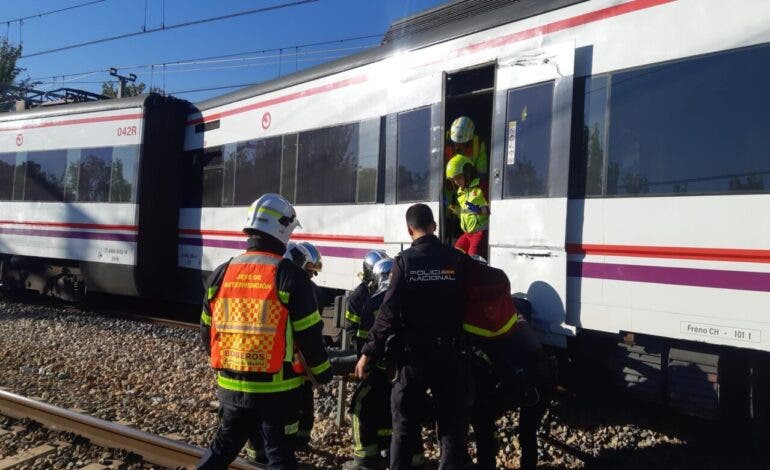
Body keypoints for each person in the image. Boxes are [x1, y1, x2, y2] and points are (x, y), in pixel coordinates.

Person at [198, 193, 332, 470]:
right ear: (282, 230)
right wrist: (322, 374)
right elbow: (309, 336)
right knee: (279, 458)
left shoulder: (221, 273)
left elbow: (206, 333)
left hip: (231, 388)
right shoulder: (290, 276)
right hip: (276, 392)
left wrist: (229, 368)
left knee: (220, 452)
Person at [356, 203, 472, 470]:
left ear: (410, 230)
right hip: (450, 355)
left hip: (413, 357)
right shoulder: (456, 259)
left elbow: (388, 312)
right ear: (434, 226)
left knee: (404, 423)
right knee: (450, 423)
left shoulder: (404, 261)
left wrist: (368, 351)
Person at [462, 255, 554, 470]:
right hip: (537, 377)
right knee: (527, 432)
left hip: (511, 380)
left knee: (483, 423)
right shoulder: (514, 311)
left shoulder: (473, 319)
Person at [245, 240, 326, 464]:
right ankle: (276, 455)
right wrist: (321, 370)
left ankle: (282, 451)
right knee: (280, 416)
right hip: (281, 366)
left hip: (275, 363)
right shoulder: (297, 289)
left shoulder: (301, 288)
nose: (311, 277)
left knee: (279, 414)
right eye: (308, 271)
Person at [344, 257, 395, 470]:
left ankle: (365, 459)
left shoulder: (373, 303)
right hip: (400, 371)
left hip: (376, 370)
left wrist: (363, 364)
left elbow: (363, 341)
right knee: (394, 409)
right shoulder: (410, 298)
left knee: (360, 407)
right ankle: (395, 452)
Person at [446, 154, 489, 257]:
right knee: (455, 256)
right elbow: (467, 213)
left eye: (458, 177)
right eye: (453, 179)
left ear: (468, 173)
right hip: (467, 234)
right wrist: (458, 212)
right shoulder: (461, 192)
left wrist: (479, 210)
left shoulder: (482, 186)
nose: (456, 182)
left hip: (480, 232)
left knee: (474, 259)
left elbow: (495, 208)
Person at [345, 250, 388, 352]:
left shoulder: (386, 291)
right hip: (366, 345)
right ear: (371, 273)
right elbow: (352, 329)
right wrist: (362, 350)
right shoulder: (357, 297)